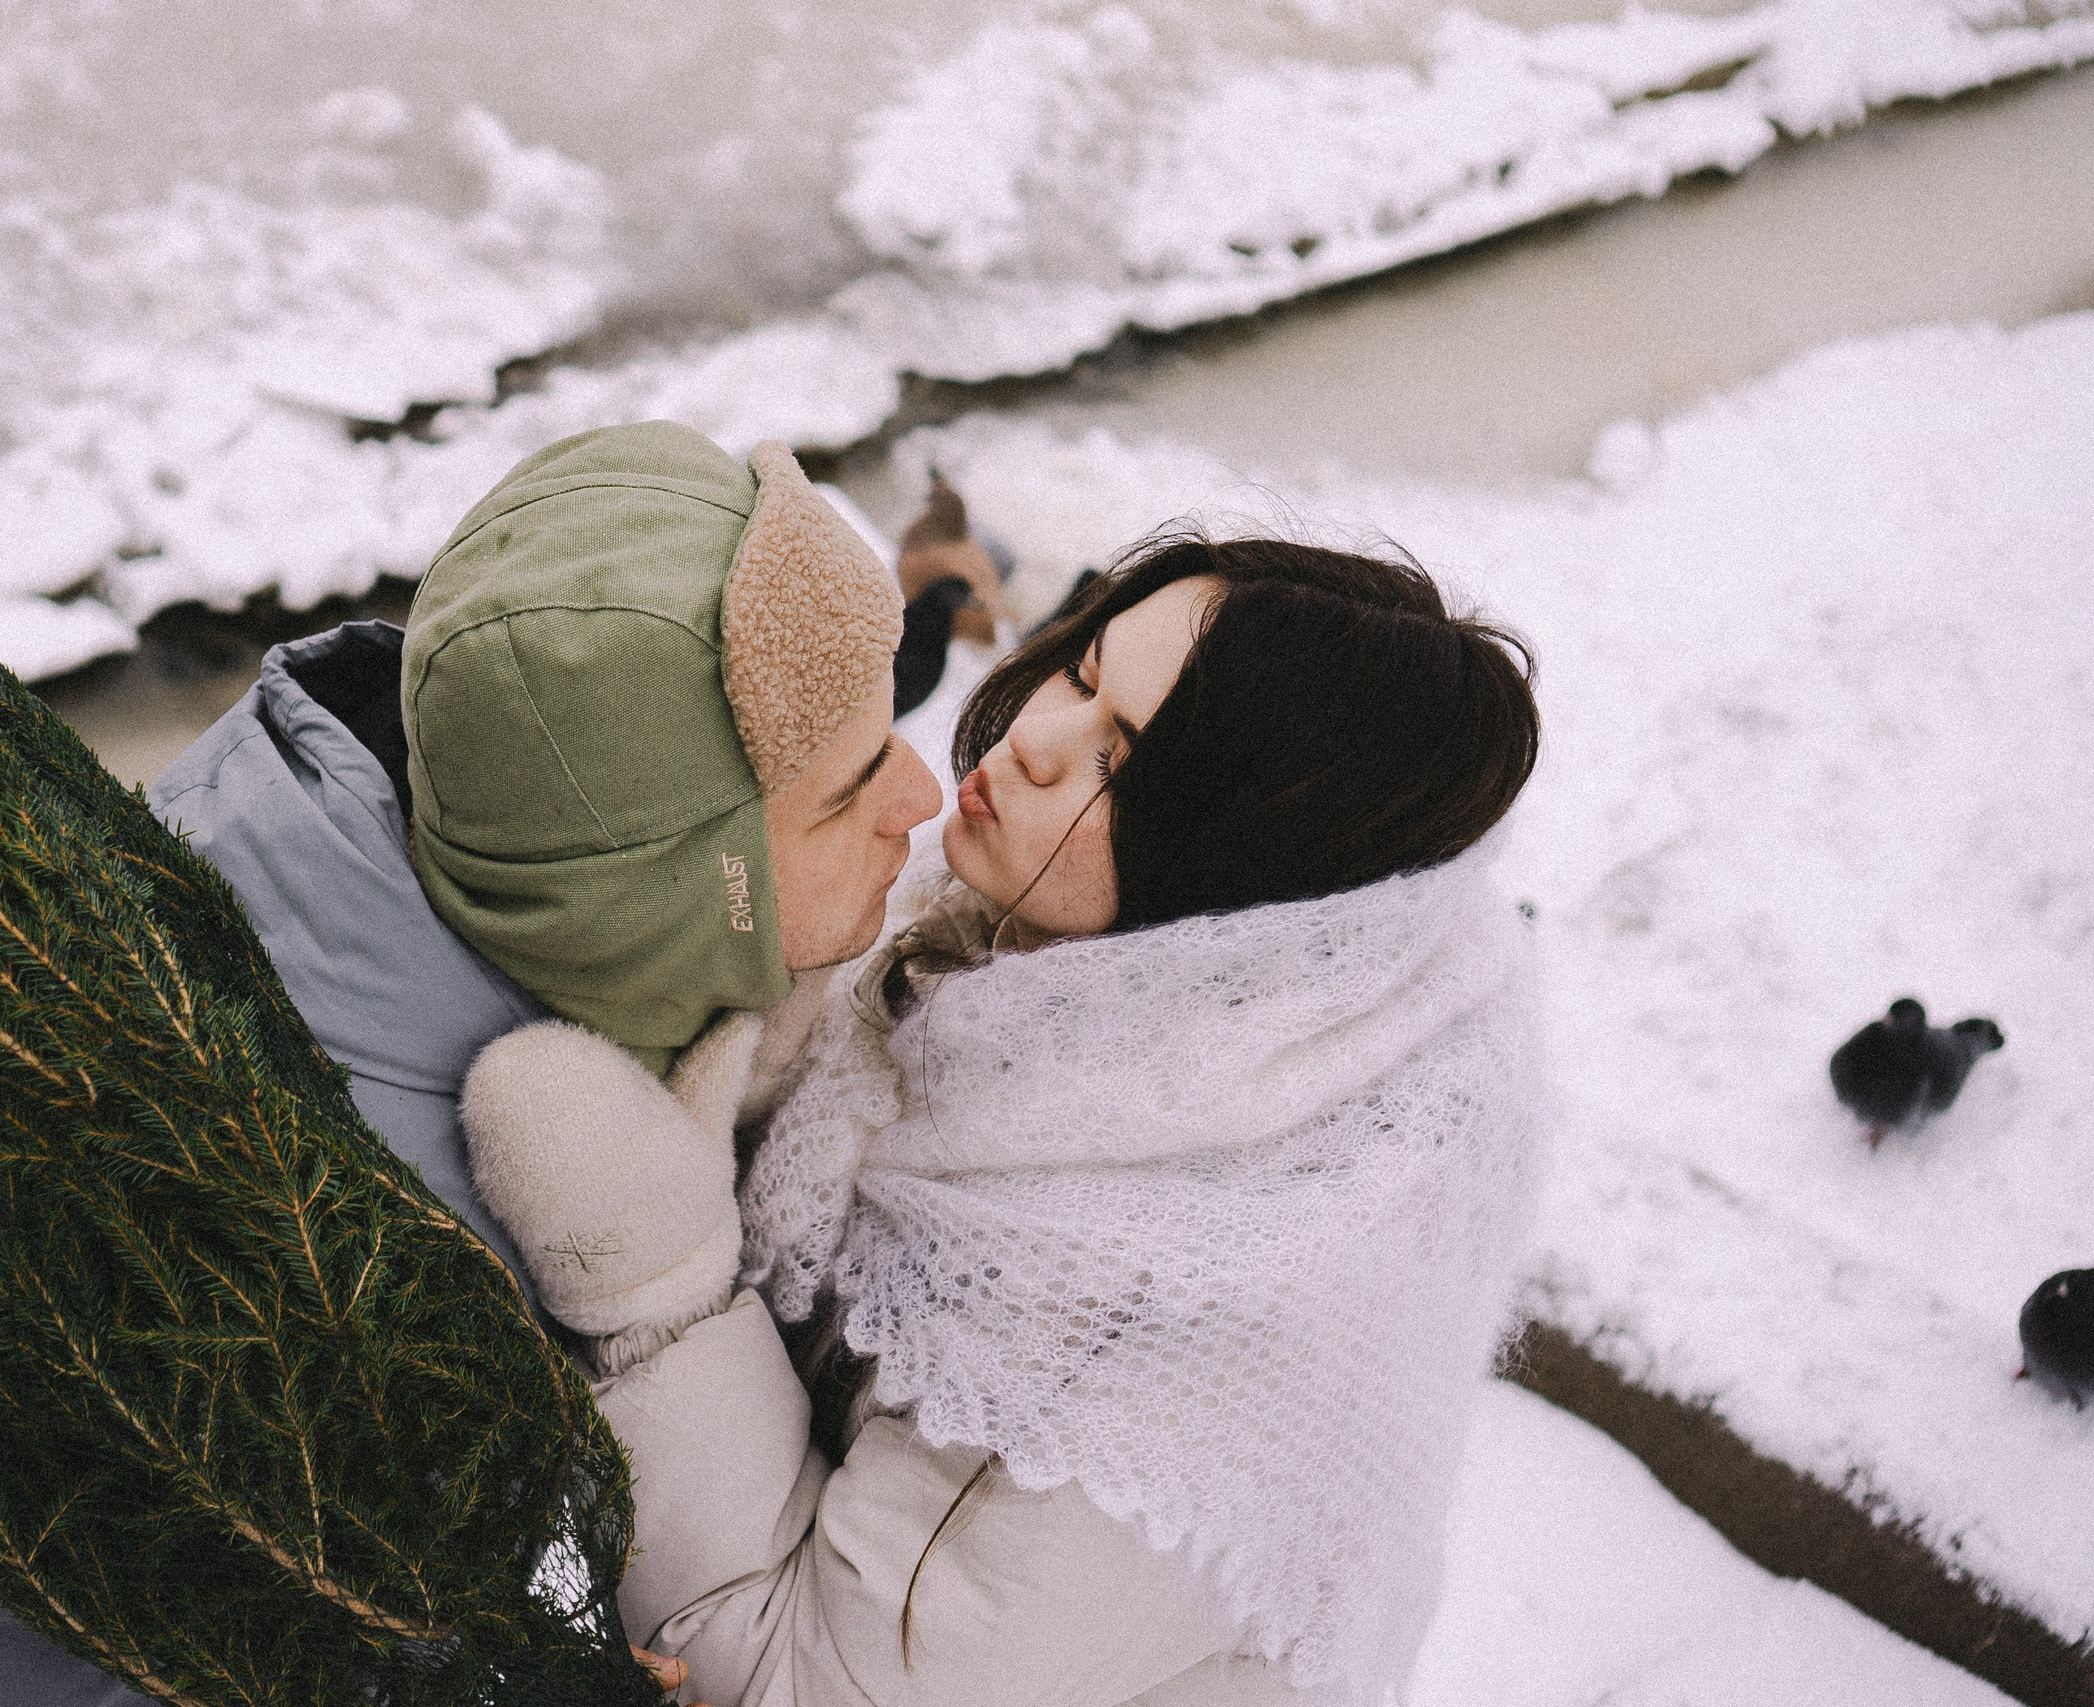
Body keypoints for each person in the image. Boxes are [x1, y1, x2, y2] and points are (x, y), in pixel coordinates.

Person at [0, 422, 939, 1707]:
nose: (920, 796)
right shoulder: (336, 1243)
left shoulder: (403, 877)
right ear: (672, 896)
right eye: (847, 786)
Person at [459, 534, 1546, 1706]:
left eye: (1119, 763)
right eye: (1080, 671)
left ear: (1246, 884)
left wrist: (653, 1286)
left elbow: (801, 1684)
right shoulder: (1073, 976)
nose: (1031, 738)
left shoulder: (1121, 1339)